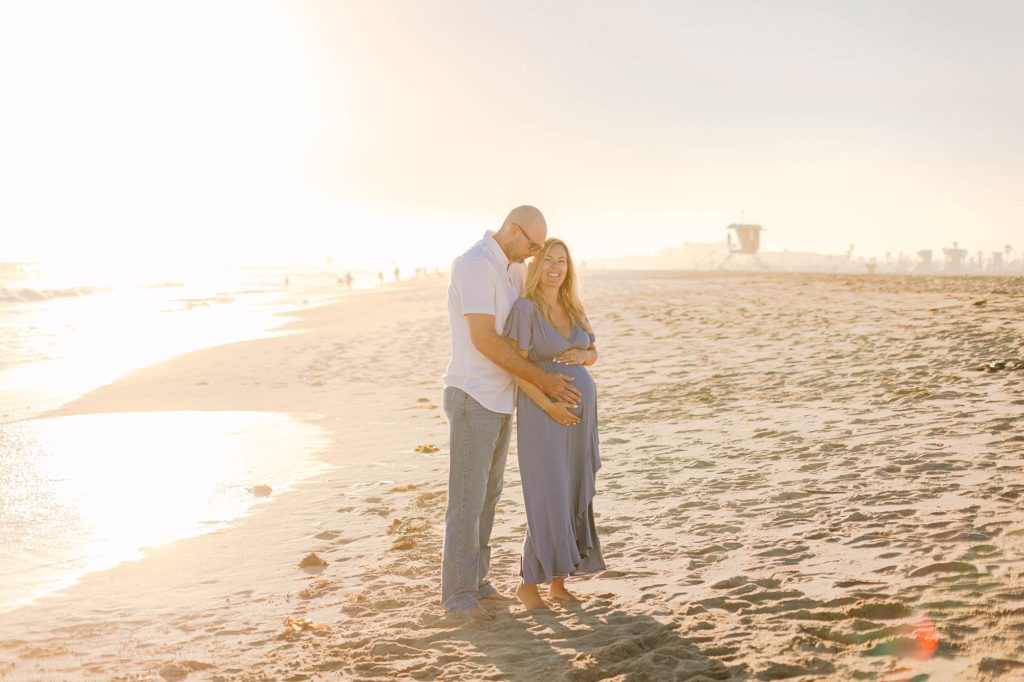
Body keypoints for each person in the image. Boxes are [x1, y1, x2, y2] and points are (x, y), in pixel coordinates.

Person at [441, 206, 582, 620]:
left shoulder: (512, 268)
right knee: (466, 501)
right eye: (533, 245)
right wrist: (541, 380)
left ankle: (478, 583)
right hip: (473, 395)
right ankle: (457, 596)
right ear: (513, 230)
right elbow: (484, 339)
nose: (535, 254)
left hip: (503, 397)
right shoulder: (475, 265)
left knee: (488, 498)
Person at [503, 238, 605, 609]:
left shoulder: (573, 306)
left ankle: (558, 585)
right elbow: (516, 367)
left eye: (562, 261)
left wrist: (584, 354)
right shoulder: (525, 310)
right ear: (536, 266)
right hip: (542, 415)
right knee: (549, 494)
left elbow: (593, 353)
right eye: (548, 260)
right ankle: (529, 583)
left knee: (570, 492)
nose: (555, 267)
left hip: (581, 419)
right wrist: (548, 404)